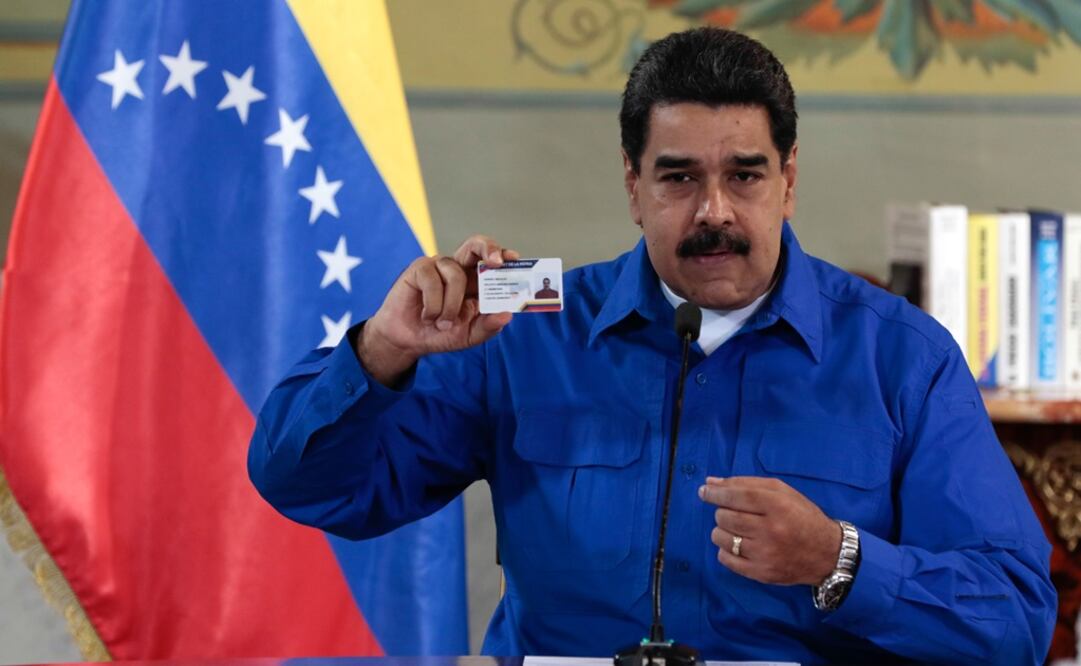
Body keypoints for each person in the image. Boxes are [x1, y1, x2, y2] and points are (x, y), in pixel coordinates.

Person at [248, 27, 1056, 664]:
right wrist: (385, 348)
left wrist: (835, 561)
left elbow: (1015, 621)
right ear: (631, 186)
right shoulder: (525, 323)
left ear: (788, 180)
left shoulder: (900, 356)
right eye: (677, 178)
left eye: (744, 176)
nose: (714, 212)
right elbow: (307, 487)